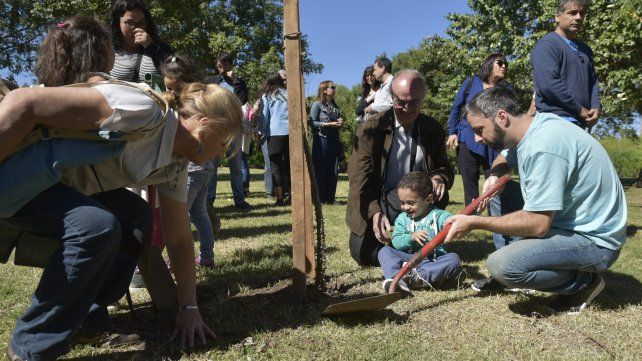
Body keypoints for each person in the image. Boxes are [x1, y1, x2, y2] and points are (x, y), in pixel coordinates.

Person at [0, 17, 242, 360]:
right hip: (16, 177)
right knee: (94, 227)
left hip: (52, 183)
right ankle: (30, 348)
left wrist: (189, 307)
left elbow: (178, 238)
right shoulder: (143, 110)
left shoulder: (174, 162)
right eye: (225, 143)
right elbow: (23, 103)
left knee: (135, 218)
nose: (223, 154)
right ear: (204, 127)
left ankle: (88, 321)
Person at [444, 87, 627, 314]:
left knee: (502, 265)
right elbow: (503, 157)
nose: (477, 138)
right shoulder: (533, 126)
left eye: (480, 130)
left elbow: (538, 224)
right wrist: (495, 176)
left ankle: (582, 283)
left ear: (502, 117)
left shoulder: (544, 147)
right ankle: (518, 260)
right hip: (568, 224)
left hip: (595, 241)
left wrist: (474, 223)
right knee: (501, 193)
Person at [346, 69, 454, 266]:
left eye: (414, 102)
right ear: (391, 98)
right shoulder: (370, 130)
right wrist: (374, 212)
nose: (407, 108)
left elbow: (444, 167)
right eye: (400, 102)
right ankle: (410, 248)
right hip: (381, 201)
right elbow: (358, 178)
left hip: (419, 205)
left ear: (422, 99)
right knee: (362, 253)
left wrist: (439, 178)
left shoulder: (433, 129)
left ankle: (414, 242)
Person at [446, 55, 525, 286]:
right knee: (474, 186)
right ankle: (470, 223)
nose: (503, 66)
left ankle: (502, 233)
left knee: (495, 186)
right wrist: (453, 132)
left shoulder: (507, 90)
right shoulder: (471, 83)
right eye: (499, 62)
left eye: (506, 64)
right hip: (467, 141)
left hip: (495, 144)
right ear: (489, 65)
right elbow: (456, 107)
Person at [162, 54, 217, 269]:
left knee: (179, 216)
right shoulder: (205, 97)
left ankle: (177, 258)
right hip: (205, 168)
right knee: (200, 214)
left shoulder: (189, 103)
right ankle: (206, 257)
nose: (171, 92)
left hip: (193, 168)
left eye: (173, 88)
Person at [379, 171, 461, 293]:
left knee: (454, 259)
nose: (405, 207)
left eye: (411, 203)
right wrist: (411, 237)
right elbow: (396, 242)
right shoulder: (402, 219)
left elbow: (454, 224)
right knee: (385, 251)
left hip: (434, 260)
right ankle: (396, 279)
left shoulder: (439, 216)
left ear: (429, 199)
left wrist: (471, 213)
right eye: (402, 202)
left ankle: (418, 278)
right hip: (409, 258)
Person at [531, 0, 600, 130]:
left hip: (581, 123)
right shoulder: (547, 45)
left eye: (582, 13)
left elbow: (593, 82)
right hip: (556, 120)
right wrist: (580, 109)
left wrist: (596, 107)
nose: (578, 17)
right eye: (572, 13)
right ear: (558, 17)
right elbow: (549, 85)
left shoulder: (586, 50)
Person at [205, 53, 252, 210]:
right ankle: (209, 200)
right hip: (216, 128)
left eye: (224, 65)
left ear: (230, 65)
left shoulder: (239, 83)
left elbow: (242, 101)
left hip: (234, 127)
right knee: (212, 165)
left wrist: (235, 81)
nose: (221, 69)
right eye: (219, 66)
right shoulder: (211, 81)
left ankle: (239, 200)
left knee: (236, 166)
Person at [109, 0, 173, 83]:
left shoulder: (161, 48)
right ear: (118, 23)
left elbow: (175, 76)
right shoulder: (107, 48)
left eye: (141, 23)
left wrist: (151, 47)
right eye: (129, 23)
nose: (136, 28)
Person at [309, 80, 343, 204]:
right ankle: (319, 198)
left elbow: (338, 122)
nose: (334, 89)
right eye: (332, 87)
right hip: (321, 140)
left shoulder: (335, 107)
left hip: (333, 140)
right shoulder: (317, 105)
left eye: (334, 87)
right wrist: (327, 124)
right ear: (324, 90)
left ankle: (330, 198)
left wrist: (340, 123)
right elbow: (312, 123)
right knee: (320, 169)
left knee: (333, 170)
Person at [259, 72, 290, 205]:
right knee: (291, 166)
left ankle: (279, 198)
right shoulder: (290, 94)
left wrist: (261, 131)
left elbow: (264, 117)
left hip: (275, 133)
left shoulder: (267, 96)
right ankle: (293, 195)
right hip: (291, 133)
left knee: (276, 166)